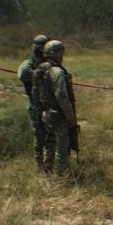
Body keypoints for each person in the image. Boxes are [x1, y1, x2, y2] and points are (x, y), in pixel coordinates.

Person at [32, 39, 78, 176]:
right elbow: (62, 96)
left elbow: (35, 93)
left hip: (46, 114)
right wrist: (71, 118)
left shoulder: (39, 70)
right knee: (63, 147)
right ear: (57, 54)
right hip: (59, 115)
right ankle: (61, 176)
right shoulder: (57, 72)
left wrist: (40, 112)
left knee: (50, 144)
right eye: (61, 53)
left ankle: (48, 172)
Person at [17, 34, 52, 172]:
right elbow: (23, 73)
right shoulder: (31, 61)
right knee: (39, 135)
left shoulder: (45, 61)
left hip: (47, 104)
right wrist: (39, 76)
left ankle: (49, 164)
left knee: (50, 135)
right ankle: (39, 164)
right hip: (36, 105)